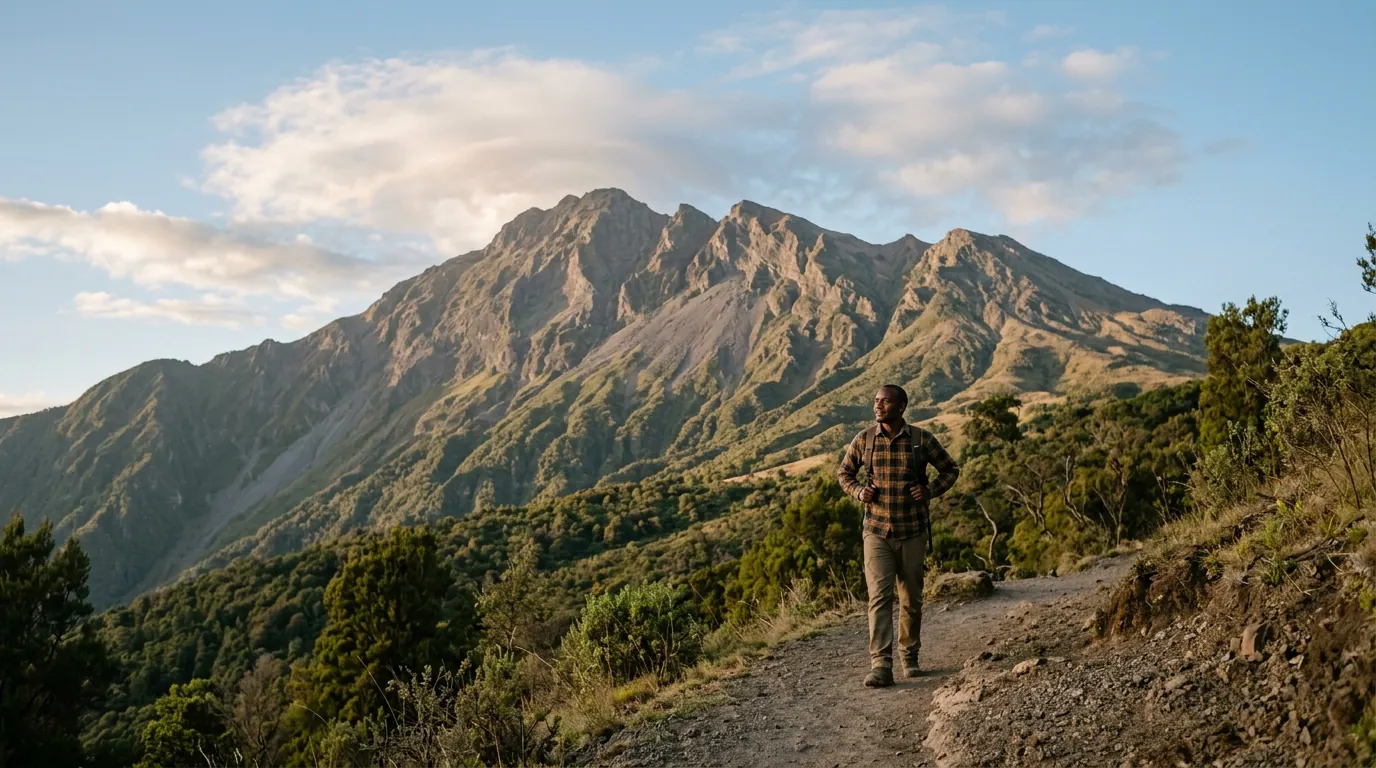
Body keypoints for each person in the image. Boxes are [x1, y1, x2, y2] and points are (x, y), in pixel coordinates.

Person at [837, 384, 960, 687]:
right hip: (876, 531)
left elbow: (950, 469)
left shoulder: (921, 440)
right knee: (879, 597)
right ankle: (881, 664)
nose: (878, 406)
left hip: (912, 531)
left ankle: (910, 656)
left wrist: (929, 490)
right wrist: (859, 491)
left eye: (885, 401)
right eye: (876, 401)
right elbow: (844, 474)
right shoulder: (864, 439)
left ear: (902, 406)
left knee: (911, 599)